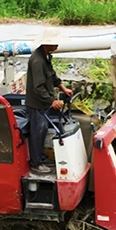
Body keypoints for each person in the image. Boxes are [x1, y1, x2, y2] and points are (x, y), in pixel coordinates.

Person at [25, 29, 73, 174]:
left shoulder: (45, 56)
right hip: (36, 103)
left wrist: (63, 88)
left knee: (43, 129)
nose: (57, 45)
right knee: (37, 133)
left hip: (43, 103)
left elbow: (52, 75)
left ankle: (41, 156)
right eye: (55, 43)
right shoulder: (38, 61)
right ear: (48, 44)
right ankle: (36, 163)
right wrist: (52, 101)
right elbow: (38, 87)